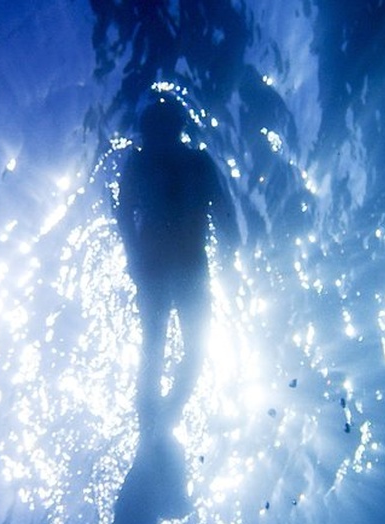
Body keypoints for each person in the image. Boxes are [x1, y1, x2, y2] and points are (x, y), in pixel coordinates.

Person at [113, 98, 237, 522]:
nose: (159, 140)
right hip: (173, 266)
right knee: (172, 352)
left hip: (168, 266)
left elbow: (124, 215)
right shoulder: (184, 164)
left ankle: (156, 430)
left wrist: (132, 252)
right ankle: (157, 427)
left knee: (161, 351)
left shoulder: (154, 163)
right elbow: (227, 223)